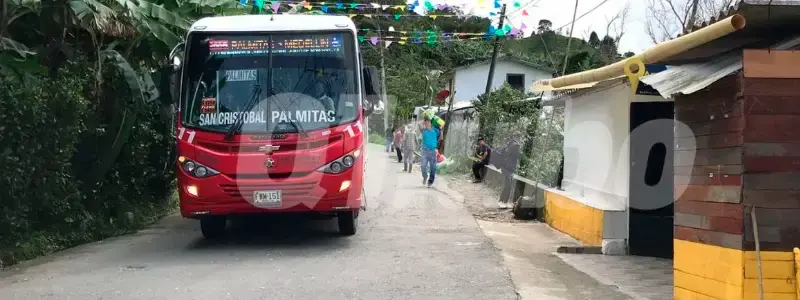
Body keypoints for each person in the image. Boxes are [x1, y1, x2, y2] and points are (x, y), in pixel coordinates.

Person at [497, 133, 522, 203]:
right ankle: (502, 202)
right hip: (509, 168)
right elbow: (517, 156)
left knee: (507, 185)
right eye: (518, 136)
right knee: (508, 186)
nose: (518, 137)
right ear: (514, 136)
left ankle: (503, 201)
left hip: (505, 167)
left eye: (519, 136)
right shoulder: (516, 145)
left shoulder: (509, 144)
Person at [420, 119, 440, 187]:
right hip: (425, 151)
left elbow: (441, 137)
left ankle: (430, 181)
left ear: (431, 123)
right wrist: (422, 122)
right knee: (423, 166)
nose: (426, 124)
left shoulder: (435, 130)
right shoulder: (423, 130)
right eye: (425, 123)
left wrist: (442, 129)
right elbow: (419, 125)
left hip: (433, 151)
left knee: (433, 168)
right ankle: (425, 176)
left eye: (428, 122)